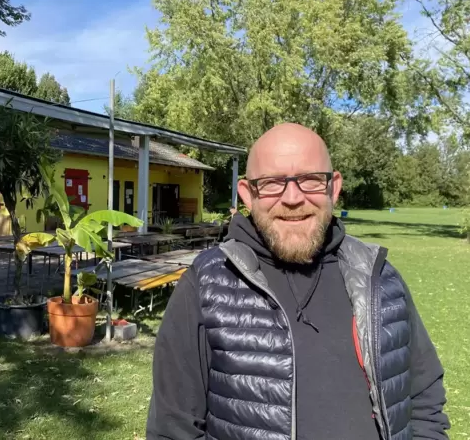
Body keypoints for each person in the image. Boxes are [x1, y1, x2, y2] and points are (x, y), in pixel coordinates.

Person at [146, 123, 449, 440]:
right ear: (248, 195)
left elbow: (424, 402)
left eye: (310, 180)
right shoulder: (206, 283)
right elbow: (172, 429)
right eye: (273, 183)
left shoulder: (379, 280)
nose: (293, 198)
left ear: (333, 188)